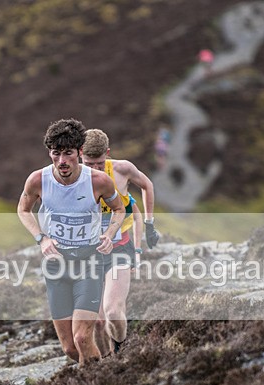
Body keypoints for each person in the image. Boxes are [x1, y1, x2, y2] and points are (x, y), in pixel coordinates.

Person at [17, 118, 125, 365]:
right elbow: (23, 210)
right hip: (56, 266)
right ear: (50, 153)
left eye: (68, 154)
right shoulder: (38, 180)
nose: (62, 161)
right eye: (56, 154)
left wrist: (109, 235)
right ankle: (98, 373)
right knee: (70, 349)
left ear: (79, 152)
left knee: (82, 338)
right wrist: (41, 239)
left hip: (89, 262)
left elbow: (119, 209)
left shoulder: (98, 181)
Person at [81, 128, 159, 355]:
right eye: (88, 163)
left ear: (107, 153)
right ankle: (107, 365)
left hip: (119, 247)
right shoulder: (70, 176)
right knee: (97, 322)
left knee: (114, 312)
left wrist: (150, 224)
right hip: (89, 254)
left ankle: (122, 349)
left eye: (99, 163)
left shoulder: (122, 169)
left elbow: (147, 185)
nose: (94, 169)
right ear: (78, 155)